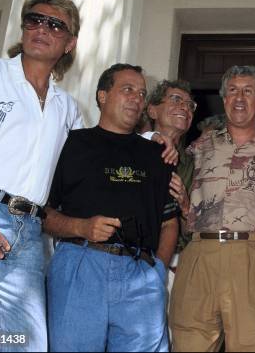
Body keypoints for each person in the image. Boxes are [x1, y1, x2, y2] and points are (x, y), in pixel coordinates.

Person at [0, 0, 82, 352]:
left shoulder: (68, 108)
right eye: (35, 19)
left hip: (28, 231)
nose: (42, 28)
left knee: (23, 343)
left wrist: (155, 139)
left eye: (55, 24)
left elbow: (95, 155)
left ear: (70, 43)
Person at [44, 64, 177, 352]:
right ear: (102, 96)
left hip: (140, 273)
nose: (137, 99)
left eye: (141, 93)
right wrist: (81, 227)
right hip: (80, 266)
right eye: (127, 89)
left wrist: (157, 270)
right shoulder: (72, 143)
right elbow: (45, 214)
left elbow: (169, 221)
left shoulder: (157, 154)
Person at [169, 65, 255, 352]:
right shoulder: (198, 146)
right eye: (232, 91)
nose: (239, 97)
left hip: (252, 259)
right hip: (199, 255)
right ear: (224, 99)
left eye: (248, 91)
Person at [145, 80, 197, 245]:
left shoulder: (196, 166)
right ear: (152, 110)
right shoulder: (132, 150)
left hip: (174, 260)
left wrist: (185, 206)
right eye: (176, 99)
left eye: (190, 105)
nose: (185, 107)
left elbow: (194, 234)